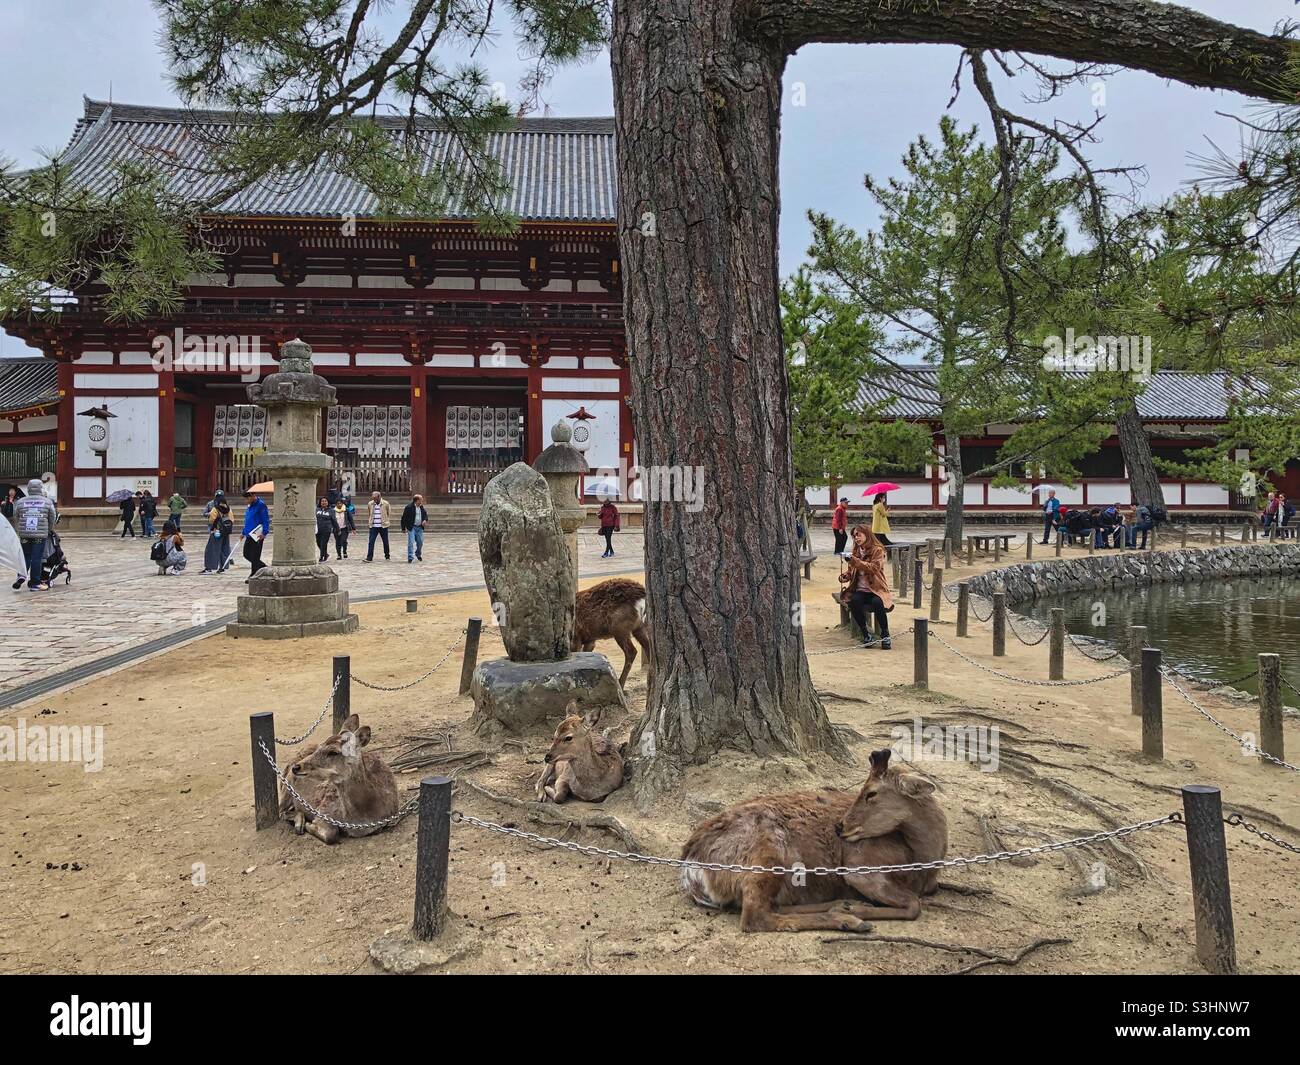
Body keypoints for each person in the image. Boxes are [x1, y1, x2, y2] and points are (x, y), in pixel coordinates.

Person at [838, 523, 893, 649]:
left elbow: (873, 568)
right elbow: (852, 570)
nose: (856, 538)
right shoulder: (856, 551)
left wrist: (855, 561)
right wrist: (845, 576)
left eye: (858, 535)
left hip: (876, 589)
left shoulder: (877, 550)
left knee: (878, 603)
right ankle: (866, 633)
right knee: (853, 602)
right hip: (860, 590)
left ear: (867, 534)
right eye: (854, 536)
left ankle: (885, 634)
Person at [13, 479, 58, 591]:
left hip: (24, 535)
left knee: (25, 556)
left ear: (28, 488)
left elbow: (16, 516)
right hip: (40, 535)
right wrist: (49, 529)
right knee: (36, 557)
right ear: (40, 488)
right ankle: (35, 583)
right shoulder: (47, 502)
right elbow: (52, 517)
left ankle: (21, 575)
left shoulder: (20, 501)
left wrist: (19, 530)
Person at [241, 489, 271, 580]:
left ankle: (254, 575)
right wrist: (243, 532)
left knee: (255, 555)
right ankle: (262, 566)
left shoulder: (261, 505)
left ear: (253, 496)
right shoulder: (249, 506)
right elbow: (248, 520)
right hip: (249, 534)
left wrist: (264, 532)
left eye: (247, 498)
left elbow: (265, 519)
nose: (246, 500)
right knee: (246, 554)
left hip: (258, 533)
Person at [203, 501, 234, 573]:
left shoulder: (215, 509)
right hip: (226, 532)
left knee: (211, 549)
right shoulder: (228, 509)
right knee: (224, 549)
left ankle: (209, 567)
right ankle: (223, 567)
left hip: (216, 531)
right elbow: (232, 519)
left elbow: (211, 520)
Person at [364, 490, 391, 562]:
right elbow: (370, 513)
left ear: (379, 497)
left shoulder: (385, 503)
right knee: (371, 542)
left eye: (375, 498)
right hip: (373, 526)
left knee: (385, 541)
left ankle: (387, 555)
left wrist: (385, 521)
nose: (374, 500)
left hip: (383, 525)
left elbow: (388, 513)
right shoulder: (370, 504)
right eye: (373, 498)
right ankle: (369, 557)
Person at [401, 494, 428, 563]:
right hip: (412, 527)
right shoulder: (409, 507)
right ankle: (410, 557)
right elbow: (403, 518)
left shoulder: (421, 507)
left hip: (419, 528)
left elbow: (425, 515)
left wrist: (425, 520)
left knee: (420, 542)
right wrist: (403, 528)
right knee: (411, 542)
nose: (422, 501)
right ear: (417, 500)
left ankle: (418, 554)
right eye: (421, 500)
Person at [316, 497, 335, 562]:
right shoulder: (317, 510)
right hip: (318, 529)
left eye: (325, 501)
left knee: (323, 543)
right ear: (320, 502)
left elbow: (334, 520)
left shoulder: (331, 510)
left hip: (326, 529)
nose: (324, 502)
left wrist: (337, 529)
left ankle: (321, 557)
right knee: (318, 543)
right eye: (322, 501)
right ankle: (325, 554)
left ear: (328, 502)